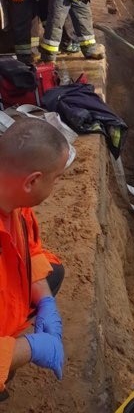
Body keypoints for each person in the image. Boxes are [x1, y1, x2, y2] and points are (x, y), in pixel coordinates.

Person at [0, 118, 70, 398]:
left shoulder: (13, 202)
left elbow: (30, 250)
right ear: (32, 181)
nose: (57, 184)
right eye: (56, 178)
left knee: (53, 272)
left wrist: (45, 301)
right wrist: (27, 349)